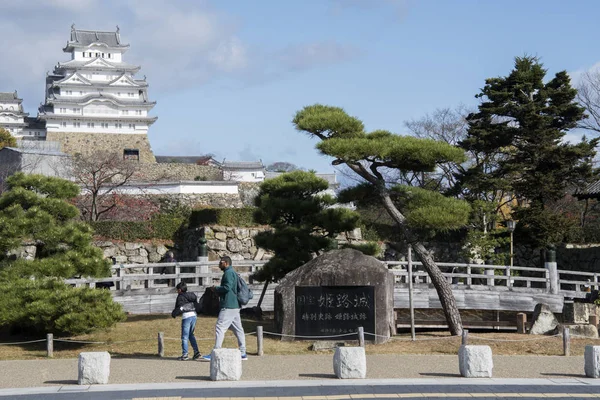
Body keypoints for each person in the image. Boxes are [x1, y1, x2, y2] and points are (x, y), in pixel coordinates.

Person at [201, 256, 247, 361]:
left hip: (228, 304)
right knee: (238, 329)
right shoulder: (232, 272)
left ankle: (216, 351)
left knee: (220, 327)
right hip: (234, 305)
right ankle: (243, 352)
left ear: (225, 263)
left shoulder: (228, 273)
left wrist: (216, 288)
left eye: (220, 262)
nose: (219, 264)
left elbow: (227, 287)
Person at [171, 281, 202, 361]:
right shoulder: (192, 295)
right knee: (191, 335)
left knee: (184, 336)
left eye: (177, 290)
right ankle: (196, 352)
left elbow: (179, 307)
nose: (177, 292)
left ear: (180, 290)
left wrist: (174, 314)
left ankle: (185, 354)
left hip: (186, 316)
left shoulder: (180, 297)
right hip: (194, 315)